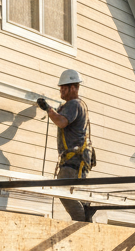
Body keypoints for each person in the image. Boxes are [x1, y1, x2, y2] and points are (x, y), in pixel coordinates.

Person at [37, 68, 96, 222]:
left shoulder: (74, 104)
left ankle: (82, 224)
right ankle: (86, 222)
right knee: (78, 195)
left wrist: (48, 109)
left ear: (73, 88)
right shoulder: (76, 105)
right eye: (61, 88)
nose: (61, 92)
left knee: (63, 189)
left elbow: (62, 122)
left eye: (64, 88)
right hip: (78, 161)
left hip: (73, 161)